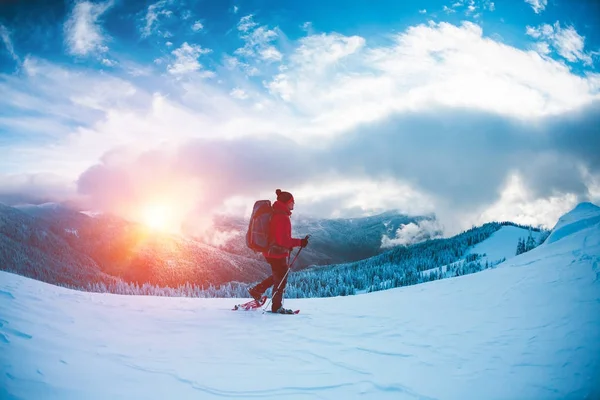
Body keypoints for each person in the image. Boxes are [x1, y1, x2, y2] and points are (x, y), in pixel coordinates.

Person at [248, 189, 309, 313]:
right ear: (286, 203)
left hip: (271, 251)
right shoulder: (282, 217)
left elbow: (276, 237)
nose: (294, 204)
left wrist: (289, 245)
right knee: (281, 278)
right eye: (292, 202)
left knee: (279, 275)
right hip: (277, 253)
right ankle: (276, 306)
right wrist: (300, 242)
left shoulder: (276, 213)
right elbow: (282, 240)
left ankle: (258, 290)